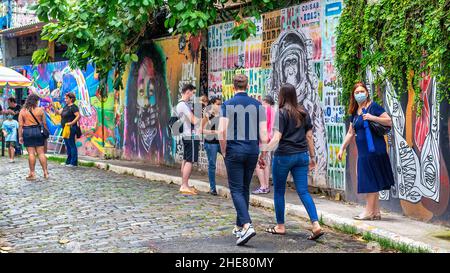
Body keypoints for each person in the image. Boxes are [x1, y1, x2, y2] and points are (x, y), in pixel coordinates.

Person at [262, 83, 323, 240]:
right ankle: (316, 225)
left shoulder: (281, 113)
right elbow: (309, 137)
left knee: (279, 191)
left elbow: (277, 137)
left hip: (283, 156)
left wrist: (263, 152)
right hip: (302, 156)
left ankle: (280, 226)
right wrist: (313, 157)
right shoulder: (303, 112)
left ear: (281, 96)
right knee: (303, 191)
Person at [219, 74, 268, 246]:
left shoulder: (227, 104)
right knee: (244, 188)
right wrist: (263, 154)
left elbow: (221, 132)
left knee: (236, 189)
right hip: (252, 151)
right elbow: (264, 134)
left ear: (233, 87)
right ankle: (240, 225)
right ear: (248, 86)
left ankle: (247, 225)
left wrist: (224, 151)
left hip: (234, 151)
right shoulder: (257, 105)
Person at [337, 82, 394, 220]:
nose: (359, 94)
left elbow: (388, 121)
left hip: (374, 149)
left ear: (367, 93)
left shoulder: (373, 107)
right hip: (364, 152)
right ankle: (376, 212)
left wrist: (371, 117)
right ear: (353, 95)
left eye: (361, 91)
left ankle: (368, 212)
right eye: (356, 93)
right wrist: (342, 148)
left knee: (370, 181)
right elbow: (351, 133)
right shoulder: (354, 112)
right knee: (370, 179)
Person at [176, 84, 200, 195]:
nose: (192, 95)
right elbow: (194, 120)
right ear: (188, 92)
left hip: (187, 136)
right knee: (189, 160)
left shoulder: (182, 104)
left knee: (186, 159)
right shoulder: (183, 105)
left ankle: (185, 184)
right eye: (192, 93)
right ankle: (184, 185)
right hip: (190, 136)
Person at [18, 93, 49, 180]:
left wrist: (20, 137)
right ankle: (45, 172)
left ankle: (32, 173)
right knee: (41, 153)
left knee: (31, 153)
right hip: (38, 131)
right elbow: (44, 123)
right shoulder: (40, 110)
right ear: (36, 101)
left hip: (27, 132)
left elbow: (20, 125)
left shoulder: (23, 111)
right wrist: (45, 133)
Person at [253, 95, 276, 194]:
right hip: (271, 139)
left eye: (262, 102)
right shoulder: (274, 111)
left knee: (258, 163)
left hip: (263, 139)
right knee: (265, 162)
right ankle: (266, 186)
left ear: (266, 102)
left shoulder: (264, 110)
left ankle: (263, 186)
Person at [201, 95, 222, 195]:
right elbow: (201, 130)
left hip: (221, 143)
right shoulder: (207, 115)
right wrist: (214, 132)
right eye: (217, 104)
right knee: (212, 165)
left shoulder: (222, 115)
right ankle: (213, 188)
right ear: (212, 104)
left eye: (220, 104)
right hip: (211, 143)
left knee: (230, 161)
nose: (219, 106)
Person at [55, 92, 81, 167]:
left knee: (71, 144)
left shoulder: (73, 107)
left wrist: (72, 123)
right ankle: (68, 161)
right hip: (65, 128)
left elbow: (78, 116)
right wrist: (54, 106)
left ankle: (73, 162)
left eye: (66, 98)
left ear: (71, 99)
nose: (65, 100)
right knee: (67, 145)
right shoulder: (66, 106)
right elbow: (58, 112)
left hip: (71, 128)